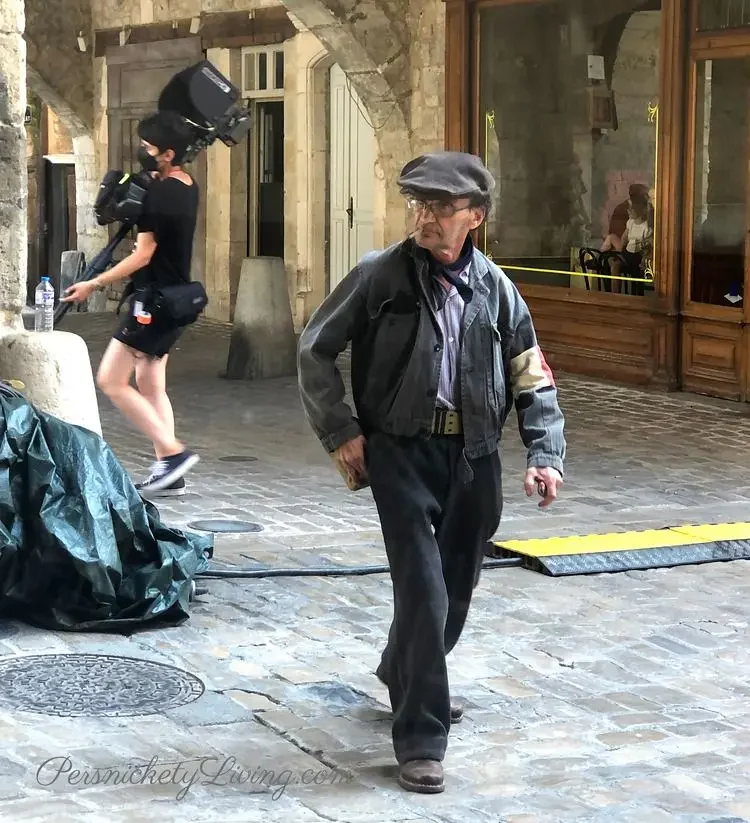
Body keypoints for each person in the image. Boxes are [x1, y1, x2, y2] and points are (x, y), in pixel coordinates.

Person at [297, 151, 566, 794]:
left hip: (473, 457)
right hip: (402, 454)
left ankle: (406, 670)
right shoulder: (379, 276)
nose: (425, 216)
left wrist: (544, 454)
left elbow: (531, 374)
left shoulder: (497, 289)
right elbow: (315, 349)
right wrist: (342, 431)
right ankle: (420, 736)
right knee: (421, 588)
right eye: (419, 203)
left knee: (457, 587)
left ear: (474, 216)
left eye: (441, 206)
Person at [62, 110, 200, 497]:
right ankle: (169, 470)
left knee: (110, 380)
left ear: (167, 153)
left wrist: (93, 282)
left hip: (152, 300)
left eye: (147, 147)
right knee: (151, 384)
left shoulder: (156, 195)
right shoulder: (187, 185)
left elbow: (142, 254)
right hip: (176, 296)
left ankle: (173, 454)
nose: (142, 151)